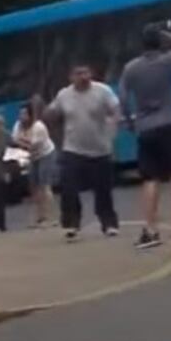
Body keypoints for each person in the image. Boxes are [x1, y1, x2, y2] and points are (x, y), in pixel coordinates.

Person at [119, 24, 171, 249]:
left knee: (150, 178)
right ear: (159, 43)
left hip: (146, 127)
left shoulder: (131, 69)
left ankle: (151, 228)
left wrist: (129, 120)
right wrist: (167, 34)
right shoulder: (167, 62)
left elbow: (124, 99)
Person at [47, 64, 121, 241]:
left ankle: (109, 223)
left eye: (86, 72)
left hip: (100, 148)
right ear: (71, 77)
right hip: (73, 148)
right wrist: (46, 112)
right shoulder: (64, 95)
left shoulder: (102, 91)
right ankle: (71, 224)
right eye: (78, 74)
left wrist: (113, 128)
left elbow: (115, 110)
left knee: (103, 189)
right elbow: (53, 113)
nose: (83, 76)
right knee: (69, 187)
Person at [12, 103, 58, 228]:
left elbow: (32, 145)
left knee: (45, 185)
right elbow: (14, 140)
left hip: (46, 154)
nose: (22, 117)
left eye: (25, 114)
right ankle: (39, 217)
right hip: (33, 157)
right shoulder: (18, 126)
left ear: (31, 115)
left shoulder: (38, 127)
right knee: (33, 187)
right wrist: (23, 143)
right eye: (20, 114)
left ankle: (51, 217)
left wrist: (23, 143)